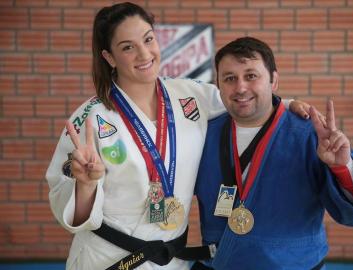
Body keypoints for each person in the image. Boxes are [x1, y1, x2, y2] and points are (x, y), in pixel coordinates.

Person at [45, 3, 311, 270]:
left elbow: (242, 100)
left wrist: (287, 104)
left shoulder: (189, 95)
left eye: (148, 39)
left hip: (172, 260)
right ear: (109, 57)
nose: (144, 53)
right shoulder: (90, 119)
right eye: (128, 47)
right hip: (109, 259)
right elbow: (72, 215)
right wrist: (87, 185)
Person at [193, 37, 353, 270]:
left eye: (251, 76)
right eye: (230, 78)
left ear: (274, 80)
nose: (240, 87)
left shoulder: (310, 134)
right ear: (218, 84)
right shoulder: (204, 134)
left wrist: (343, 168)